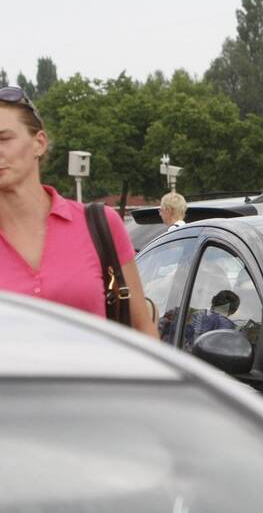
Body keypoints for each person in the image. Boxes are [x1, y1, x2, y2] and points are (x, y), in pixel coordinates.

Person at [0, 86, 157, 337]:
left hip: (100, 376)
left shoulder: (99, 225)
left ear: (39, 143)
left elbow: (142, 330)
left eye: (4, 139)